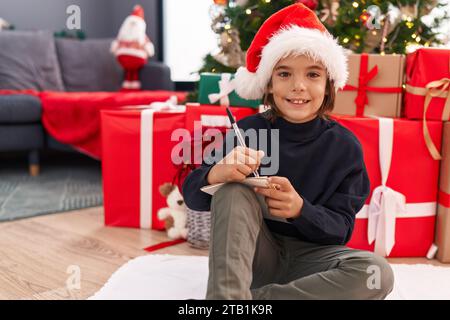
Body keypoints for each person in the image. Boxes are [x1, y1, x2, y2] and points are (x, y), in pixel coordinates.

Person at [182, 3, 394, 300]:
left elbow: (340, 230)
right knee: (231, 190)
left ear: (328, 83)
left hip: (314, 263)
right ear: (268, 83)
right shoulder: (247, 132)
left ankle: (254, 302)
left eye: (312, 75)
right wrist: (217, 173)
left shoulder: (345, 147)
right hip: (253, 257)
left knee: (376, 274)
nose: (298, 86)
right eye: (284, 74)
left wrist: (300, 209)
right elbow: (191, 195)